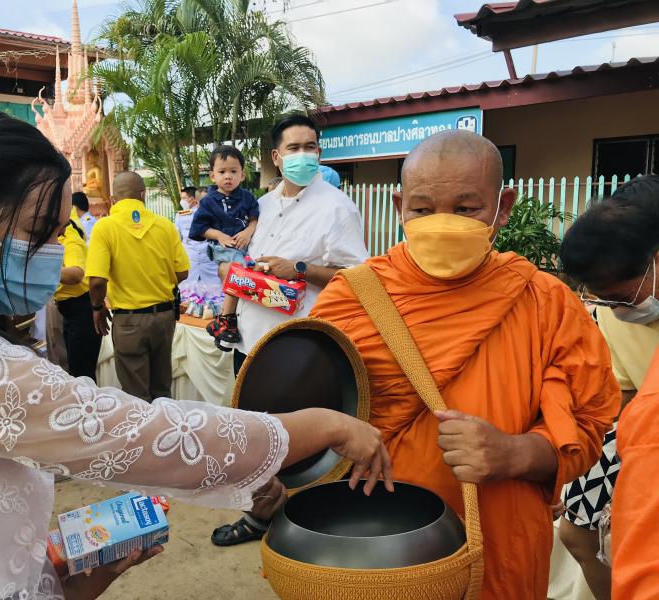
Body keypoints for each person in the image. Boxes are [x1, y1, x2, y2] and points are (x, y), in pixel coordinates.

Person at [0, 111, 393, 599]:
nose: (50, 254)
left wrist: (61, 585)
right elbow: (145, 436)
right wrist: (325, 425)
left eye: (55, 235)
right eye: (34, 233)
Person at [246, 129, 620, 596]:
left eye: (466, 209)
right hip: (374, 543)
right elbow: (311, 412)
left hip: (501, 536)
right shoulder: (354, 297)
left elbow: (587, 420)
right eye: (422, 209)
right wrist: (276, 478)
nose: (443, 223)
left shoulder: (543, 302)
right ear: (399, 206)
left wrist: (515, 453)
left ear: (502, 207)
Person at [211, 114, 369, 546]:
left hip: (301, 349)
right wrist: (232, 285)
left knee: (300, 443)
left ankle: (305, 524)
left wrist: (298, 269)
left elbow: (357, 279)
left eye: (312, 146)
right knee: (252, 434)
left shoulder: (337, 207)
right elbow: (244, 265)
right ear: (277, 158)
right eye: (295, 148)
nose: (305, 155)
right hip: (251, 341)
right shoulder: (259, 205)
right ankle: (259, 516)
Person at [558, 175, 659, 599]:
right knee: (576, 532)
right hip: (638, 432)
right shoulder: (616, 312)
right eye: (605, 301)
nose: (617, 311)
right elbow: (622, 399)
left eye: (623, 297)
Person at [86, 172, 188, 401]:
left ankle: (144, 437)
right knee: (162, 390)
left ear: (113, 200)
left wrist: (97, 308)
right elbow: (182, 272)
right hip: (164, 317)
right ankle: (166, 433)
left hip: (129, 320)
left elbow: (97, 281)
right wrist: (156, 281)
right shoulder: (165, 226)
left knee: (136, 396)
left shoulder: (105, 228)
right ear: (143, 195)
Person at [189, 146, 259, 349]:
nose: (228, 177)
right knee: (237, 274)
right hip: (223, 248)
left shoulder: (247, 197)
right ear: (212, 176)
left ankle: (223, 326)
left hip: (244, 247)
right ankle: (226, 320)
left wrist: (248, 231)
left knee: (245, 277)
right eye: (222, 172)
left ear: (242, 174)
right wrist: (219, 235)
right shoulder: (209, 201)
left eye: (233, 171)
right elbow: (199, 228)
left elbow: (255, 219)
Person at [54, 219, 102, 381]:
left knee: (82, 376)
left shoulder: (70, 241)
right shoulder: (60, 239)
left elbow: (76, 274)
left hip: (81, 309)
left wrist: (43, 267)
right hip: (71, 309)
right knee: (77, 371)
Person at [175, 186, 219, 287]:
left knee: (214, 293)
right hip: (190, 260)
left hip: (210, 261)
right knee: (188, 294)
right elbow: (177, 240)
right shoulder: (182, 216)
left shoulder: (218, 215)